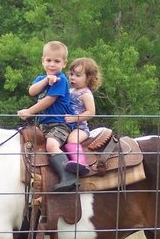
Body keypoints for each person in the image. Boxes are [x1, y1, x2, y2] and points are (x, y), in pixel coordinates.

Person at [17, 41, 77, 192]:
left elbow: (49, 100)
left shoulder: (61, 80)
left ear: (64, 64)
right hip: (44, 125)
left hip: (60, 123)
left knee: (51, 145)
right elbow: (32, 91)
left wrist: (30, 111)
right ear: (42, 61)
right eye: (49, 60)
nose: (52, 64)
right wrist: (45, 79)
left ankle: (69, 176)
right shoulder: (40, 79)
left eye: (57, 61)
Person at [63, 57, 102, 176]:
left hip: (80, 128)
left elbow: (91, 112)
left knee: (72, 139)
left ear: (88, 78)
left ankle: (81, 163)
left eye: (78, 75)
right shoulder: (70, 90)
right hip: (68, 125)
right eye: (72, 73)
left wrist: (75, 118)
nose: (72, 77)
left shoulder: (86, 94)